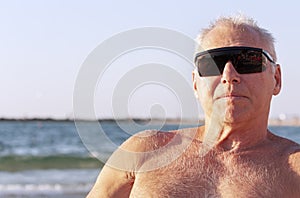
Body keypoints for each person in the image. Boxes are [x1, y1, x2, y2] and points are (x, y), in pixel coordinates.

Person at [87, 15, 300, 197]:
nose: (229, 76)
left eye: (248, 61)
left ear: (277, 79)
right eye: (211, 64)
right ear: (196, 84)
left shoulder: (294, 169)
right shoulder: (145, 150)